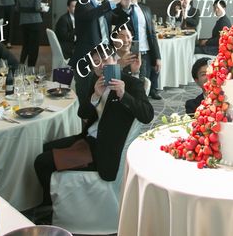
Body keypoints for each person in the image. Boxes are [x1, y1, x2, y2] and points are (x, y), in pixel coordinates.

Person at [34, 41, 153, 205]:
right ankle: (52, 197)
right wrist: (95, 96)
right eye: (96, 62)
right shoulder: (97, 81)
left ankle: (49, 206)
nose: (101, 65)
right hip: (87, 138)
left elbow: (147, 115)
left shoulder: (131, 84)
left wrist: (123, 94)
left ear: (115, 60)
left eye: (105, 59)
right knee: (45, 147)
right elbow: (82, 114)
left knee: (41, 162)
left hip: (102, 149)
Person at [70, 0, 120, 105]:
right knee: (85, 97)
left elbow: (119, 19)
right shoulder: (82, 3)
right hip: (86, 60)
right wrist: (112, 3)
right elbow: (91, 15)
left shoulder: (105, 6)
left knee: (107, 94)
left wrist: (126, 5)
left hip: (106, 59)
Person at [113, 0, 162, 100]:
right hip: (130, 53)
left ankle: (148, 96)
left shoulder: (145, 8)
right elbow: (119, 25)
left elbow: (152, 34)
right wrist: (126, 5)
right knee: (134, 86)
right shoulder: (118, 10)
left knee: (146, 83)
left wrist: (157, 56)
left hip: (147, 51)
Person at [17, 0, 48, 66]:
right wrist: (43, 8)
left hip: (23, 21)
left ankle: (21, 64)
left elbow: (17, 8)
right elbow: (37, 8)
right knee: (34, 47)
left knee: (25, 45)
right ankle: (31, 68)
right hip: (35, 21)